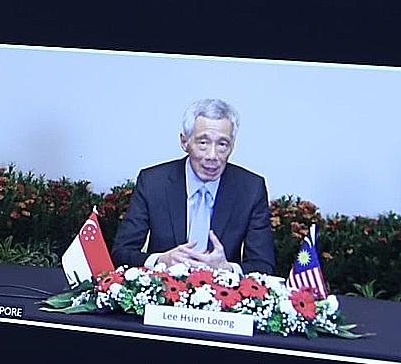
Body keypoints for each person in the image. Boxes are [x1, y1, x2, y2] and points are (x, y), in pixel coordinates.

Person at [109, 98, 276, 276]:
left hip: (224, 298)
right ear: (184, 142)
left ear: (232, 146)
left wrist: (227, 268)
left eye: (222, 144)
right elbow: (121, 253)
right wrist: (160, 261)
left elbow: (264, 266)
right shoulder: (153, 182)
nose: (212, 155)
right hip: (162, 293)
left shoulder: (251, 189)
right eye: (203, 143)